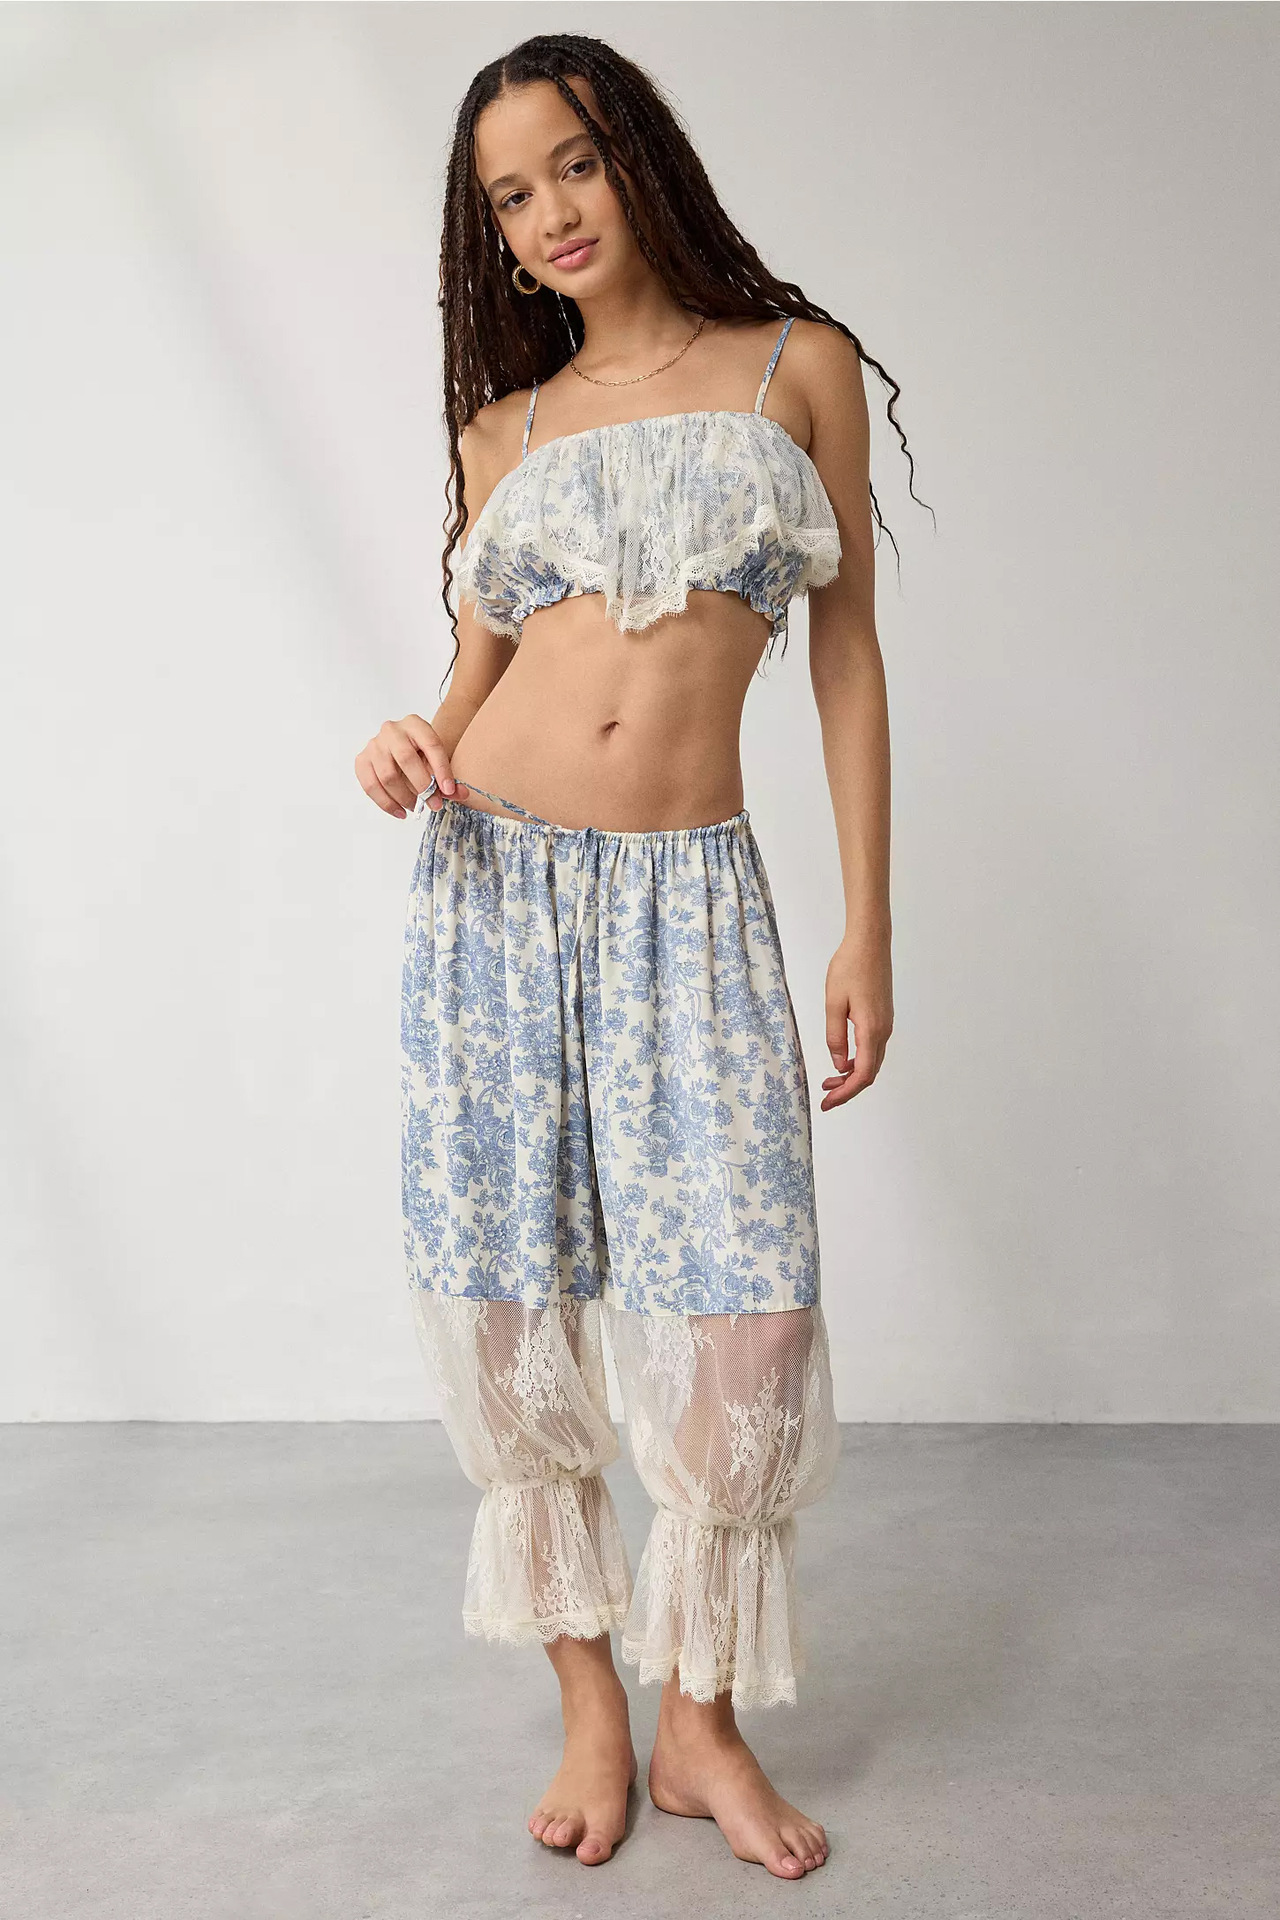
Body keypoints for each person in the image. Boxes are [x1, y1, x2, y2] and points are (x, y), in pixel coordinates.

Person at [355, 31, 922, 1882]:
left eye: (574, 166)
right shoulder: (504, 430)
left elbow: (848, 658)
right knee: (517, 1300)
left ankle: (704, 1726)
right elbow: (471, 683)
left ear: (640, 157)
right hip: (493, 893)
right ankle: (596, 1711)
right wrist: (406, 743)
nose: (550, 216)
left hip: (691, 899)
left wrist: (868, 923)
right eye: (509, 197)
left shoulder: (792, 366)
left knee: (745, 1315)